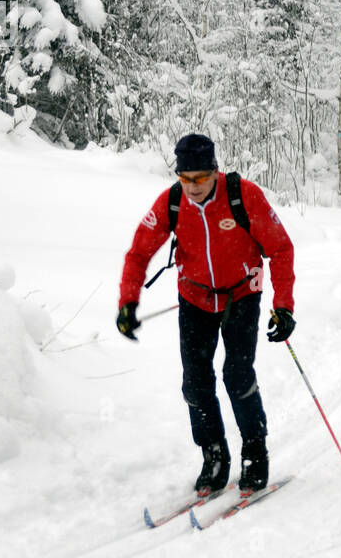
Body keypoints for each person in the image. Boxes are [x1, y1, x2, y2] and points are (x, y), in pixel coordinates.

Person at [116, 134, 295, 494]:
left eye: (200, 178)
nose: (193, 186)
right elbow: (138, 252)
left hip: (242, 295)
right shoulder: (172, 202)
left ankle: (254, 452)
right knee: (195, 383)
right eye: (185, 178)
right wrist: (128, 302)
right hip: (194, 298)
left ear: (214, 170)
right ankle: (214, 454)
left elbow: (280, 248)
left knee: (237, 374)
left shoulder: (243, 195)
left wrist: (283, 307)